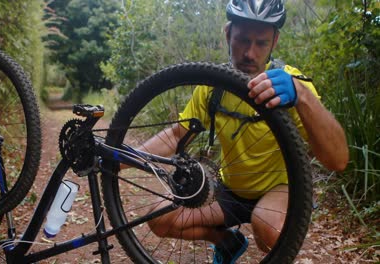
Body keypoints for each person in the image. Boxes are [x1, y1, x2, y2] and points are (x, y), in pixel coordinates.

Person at [135, 0, 349, 263]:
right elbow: (177, 135)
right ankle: (227, 242)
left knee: (269, 229)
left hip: (279, 191)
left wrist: (302, 94)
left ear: (275, 41)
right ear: (228, 34)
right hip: (230, 190)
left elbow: (338, 160)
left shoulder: (291, 84)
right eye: (242, 40)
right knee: (160, 218)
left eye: (261, 43)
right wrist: (124, 156)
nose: (250, 53)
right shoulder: (213, 86)